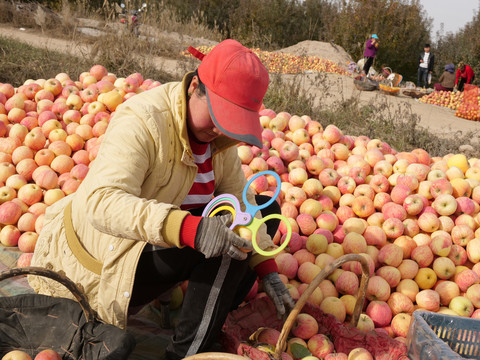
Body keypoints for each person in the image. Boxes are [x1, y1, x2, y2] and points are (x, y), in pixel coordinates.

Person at [28, 39, 294, 360]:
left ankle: (200, 310)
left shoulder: (218, 138)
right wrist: (189, 229)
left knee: (264, 212)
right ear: (196, 86)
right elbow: (101, 202)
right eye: (219, 114)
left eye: (232, 120)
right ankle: (184, 353)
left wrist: (267, 269)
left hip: (160, 243)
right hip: (109, 257)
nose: (221, 128)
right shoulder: (143, 120)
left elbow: (240, 196)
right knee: (228, 245)